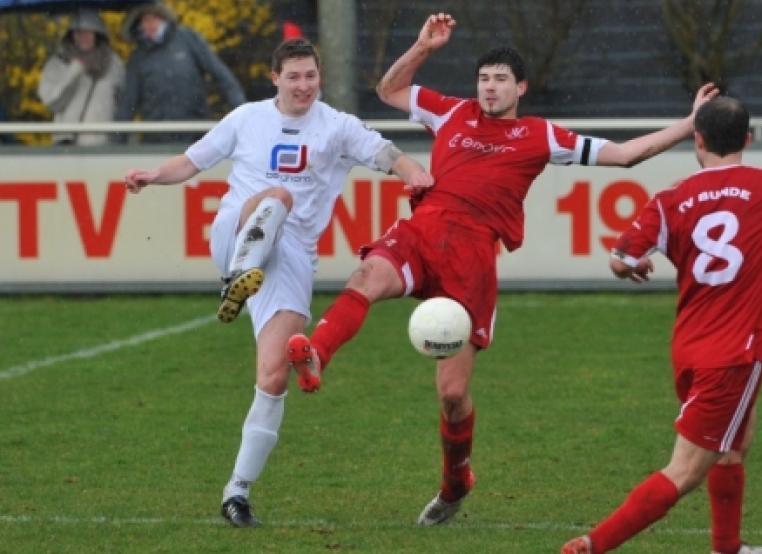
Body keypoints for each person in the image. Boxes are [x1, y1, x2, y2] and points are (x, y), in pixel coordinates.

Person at [284, 12, 719, 526]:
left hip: (470, 262)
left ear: (520, 87)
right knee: (366, 277)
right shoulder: (452, 113)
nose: (489, 88)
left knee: (451, 396)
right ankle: (317, 353)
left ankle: (454, 482)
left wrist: (691, 125)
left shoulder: (540, 136)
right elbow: (389, 90)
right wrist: (424, 45)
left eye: (500, 80)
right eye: (484, 79)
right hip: (422, 232)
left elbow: (623, 155)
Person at [122, 38, 432, 528]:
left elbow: (388, 154)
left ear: (319, 77)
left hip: (290, 258)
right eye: (294, 76)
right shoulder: (247, 118)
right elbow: (191, 161)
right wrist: (151, 175)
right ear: (275, 79)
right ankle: (238, 273)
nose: (304, 85)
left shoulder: (336, 126)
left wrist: (416, 174)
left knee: (273, 375)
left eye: (311, 75)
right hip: (235, 230)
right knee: (278, 195)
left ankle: (237, 493)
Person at [560, 96, 762, 554]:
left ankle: (727, 548)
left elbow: (620, 259)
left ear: (697, 139)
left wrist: (632, 269)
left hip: (689, 347)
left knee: (734, 442)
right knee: (683, 471)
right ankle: (592, 545)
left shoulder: (671, 198)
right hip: (734, 354)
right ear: (746, 138)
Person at [115, 2, 246, 143]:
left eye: (154, 18)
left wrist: (243, 116)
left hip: (195, 136)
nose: (150, 24)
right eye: (145, 20)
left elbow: (223, 77)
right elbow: (128, 102)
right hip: (156, 140)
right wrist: (117, 143)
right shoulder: (138, 57)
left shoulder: (188, 39)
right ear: (139, 25)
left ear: (163, 17)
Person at [38, 8, 125, 146]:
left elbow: (124, 103)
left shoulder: (114, 63)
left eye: (88, 32)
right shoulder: (57, 63)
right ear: (71, 35)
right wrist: (74, 71)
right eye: (78, 32)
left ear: (97, 34)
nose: (83, 37)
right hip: (67, 145)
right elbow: (52, 102)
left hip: (103, 145)